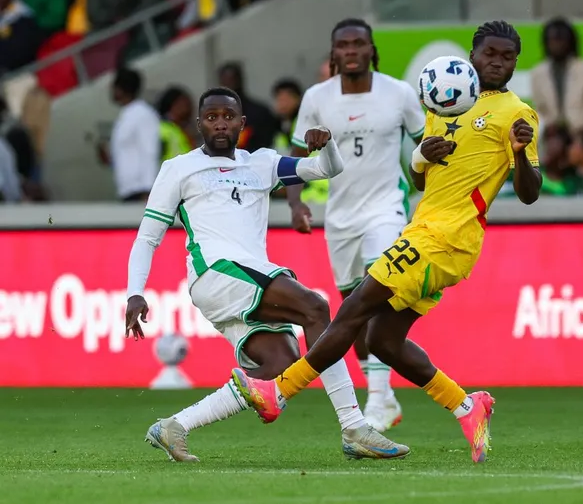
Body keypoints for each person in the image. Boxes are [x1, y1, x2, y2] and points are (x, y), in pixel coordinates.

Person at [230, 20, 542, 464]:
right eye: (489, 53)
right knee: (383, 340)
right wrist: (422, 155)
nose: (496, 62)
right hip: (426, 229)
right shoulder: (444, 96)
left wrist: (517, 154)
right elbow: (418, 175)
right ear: (471, 57)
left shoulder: (518, 114)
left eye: (506, 56)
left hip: (446, 237)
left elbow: (530, 193)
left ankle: (279, 391)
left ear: (515, 61)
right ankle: (467, 405)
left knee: (353, 309)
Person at [125, 87, 407, 463]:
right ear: (199, 124)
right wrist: (134, 292)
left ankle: (175, 425)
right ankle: (354, 426)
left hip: (245, 275)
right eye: (212, 117)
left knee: (280, 366)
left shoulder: (262, 164)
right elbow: (148, 236)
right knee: (316, 308)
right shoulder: (178, 169)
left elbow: (327, 169)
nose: (220, 123)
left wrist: (326, 144)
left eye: (228, 116)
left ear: (243, 123)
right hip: (217, 273)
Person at [285, 18, 426, 432]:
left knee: (374, 294)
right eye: (342, 45)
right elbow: (295, 156)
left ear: (370, 49)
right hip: (340, 216)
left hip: (386, 207)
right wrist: (295, 205)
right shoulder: (316, 97)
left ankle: (379, 400)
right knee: (353, 308)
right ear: (333, 53)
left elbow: (424, 146)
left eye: (358, 44)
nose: (350, 50)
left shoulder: (398, 93)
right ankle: (386, 399)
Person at [529, 17, 583, 136]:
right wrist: (549, 127)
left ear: (571, 41)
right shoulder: (538, 73)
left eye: (561, 39)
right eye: (553, 40)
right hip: (552, 136)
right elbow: (539, 108)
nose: (557, 44)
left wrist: (578, 126)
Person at [107, 68, 162, 202]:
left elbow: (150, 151)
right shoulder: (126, 115)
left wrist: (148, 190)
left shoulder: (143, 114)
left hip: (141, 189)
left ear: (120, 89)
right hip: (127, 189)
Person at [217, 62, 280, 152]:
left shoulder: (260, 113)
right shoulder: (215, 117)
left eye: (232, 80)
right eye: (225, 81)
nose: (229, 85)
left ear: (240, 80)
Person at [156, 86, 195, 161]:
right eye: (186, 105)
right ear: (174, 105)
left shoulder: (181, 129)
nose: (190, 109)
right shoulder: (163, 129)